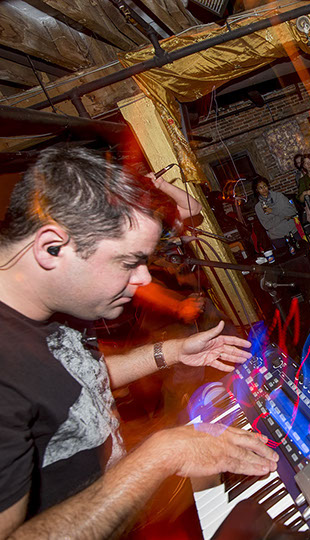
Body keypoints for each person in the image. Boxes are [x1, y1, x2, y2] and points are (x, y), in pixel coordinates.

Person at [0, 147, 278, 538]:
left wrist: (172, 352)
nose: (145, 279)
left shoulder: (44, 307)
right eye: (129, 262)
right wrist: (160, 456)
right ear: (52, 247)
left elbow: (74, 378)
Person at [253, 177, 300, 250]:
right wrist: (283, 216)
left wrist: (272, 211)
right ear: (257, 190)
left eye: (265, 186)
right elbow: (267, 225)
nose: (264, 189)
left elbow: (292, 211)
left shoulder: (279, 196)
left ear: (268, 186)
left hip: (293, 232)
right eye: (260, 188)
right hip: (278, 238)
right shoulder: (258, 207)